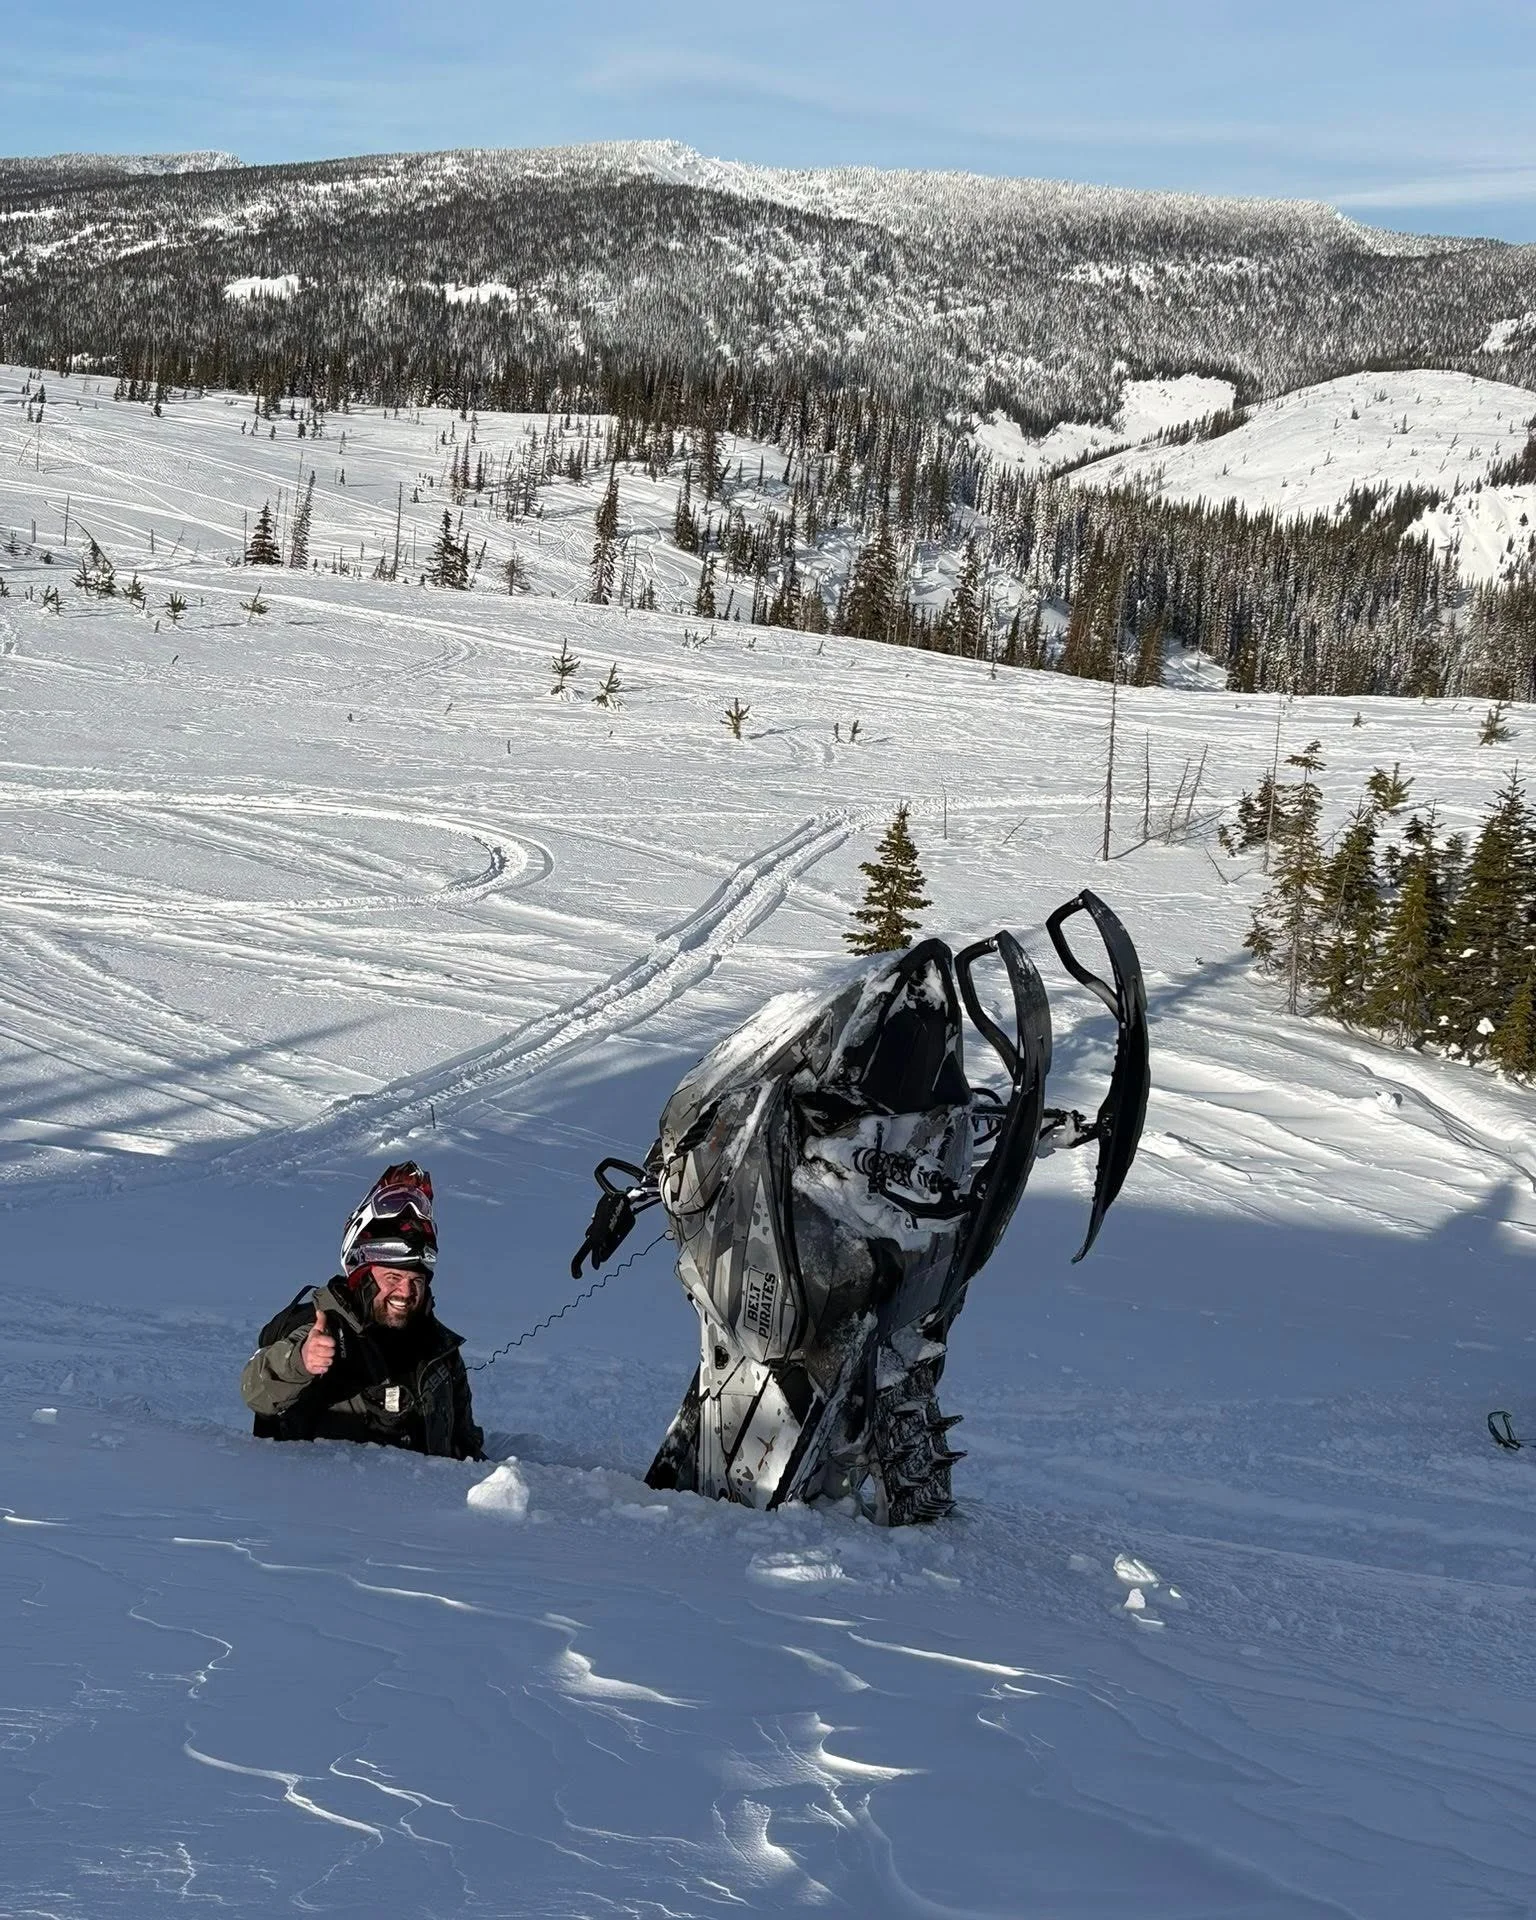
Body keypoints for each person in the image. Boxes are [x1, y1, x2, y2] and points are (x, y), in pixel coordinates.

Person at [241, 1161, 484, 1460]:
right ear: (364, 1278)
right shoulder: (322, 1329)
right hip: (324, 1502)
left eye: (415, 1280)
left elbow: (467, 1450)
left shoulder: (440, 1352)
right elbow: (255, 1391)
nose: (405, 1292)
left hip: (431, 1505)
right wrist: (300, 1361)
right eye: (392, 1278)